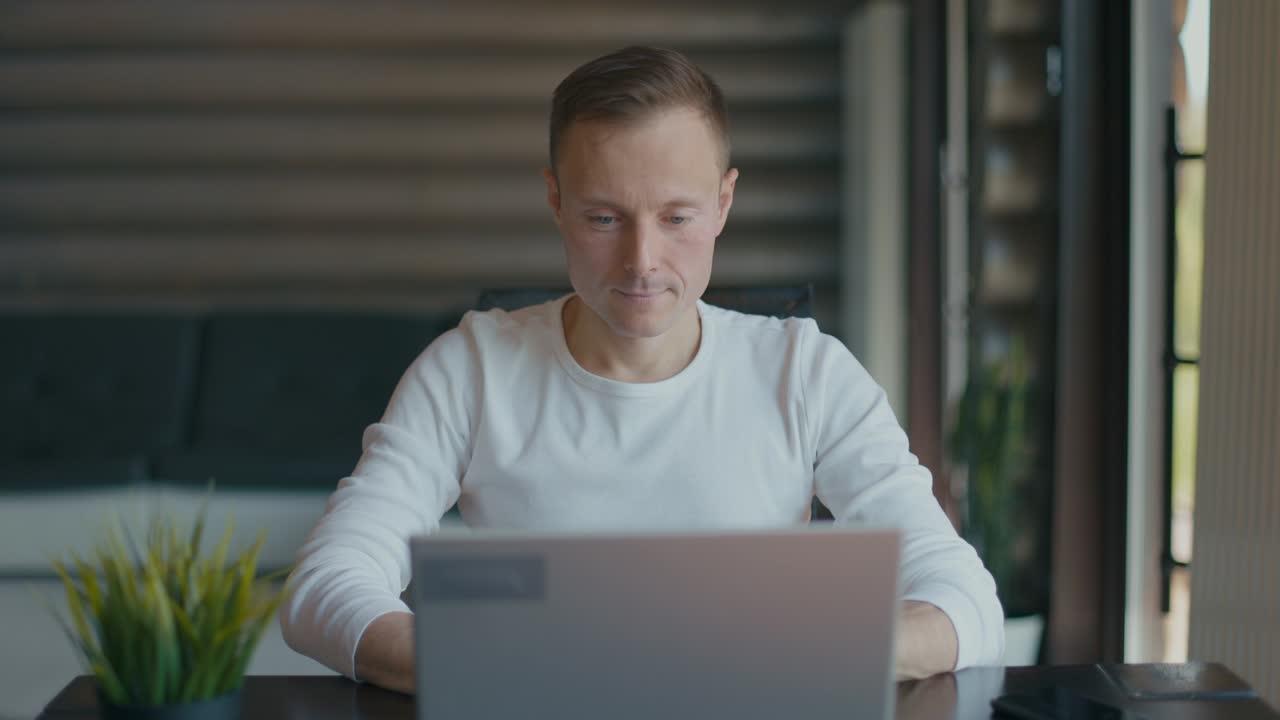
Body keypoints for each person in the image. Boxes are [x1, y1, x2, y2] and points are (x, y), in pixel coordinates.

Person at [280, 45, 1004, 694]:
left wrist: (799, 652)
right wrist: (486, 660)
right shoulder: (468, 369)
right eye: (604, 218)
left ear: (723, 203)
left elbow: (965, 601)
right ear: (556, 201)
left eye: (677, 217)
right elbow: (324, 586)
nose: (641, 263)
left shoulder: (806, 371)